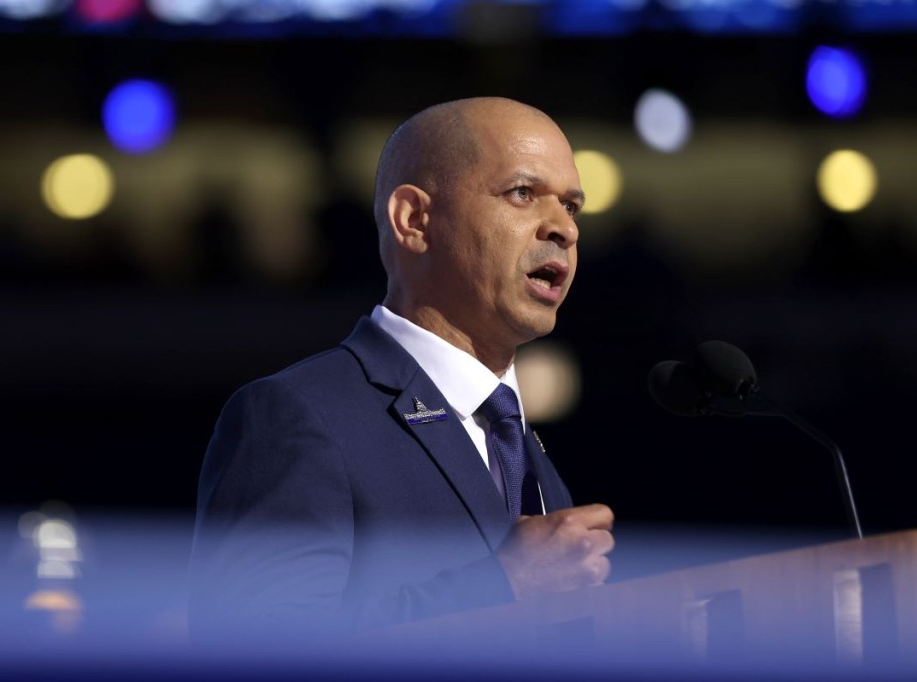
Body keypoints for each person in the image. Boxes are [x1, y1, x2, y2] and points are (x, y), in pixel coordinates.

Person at [188, 97, 615, 645]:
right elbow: (249, 653)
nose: (563, 229)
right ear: (414, 221)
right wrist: (499, 585)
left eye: (572, 207)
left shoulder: (518, 438)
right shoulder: (298, 416)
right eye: (523, 194)